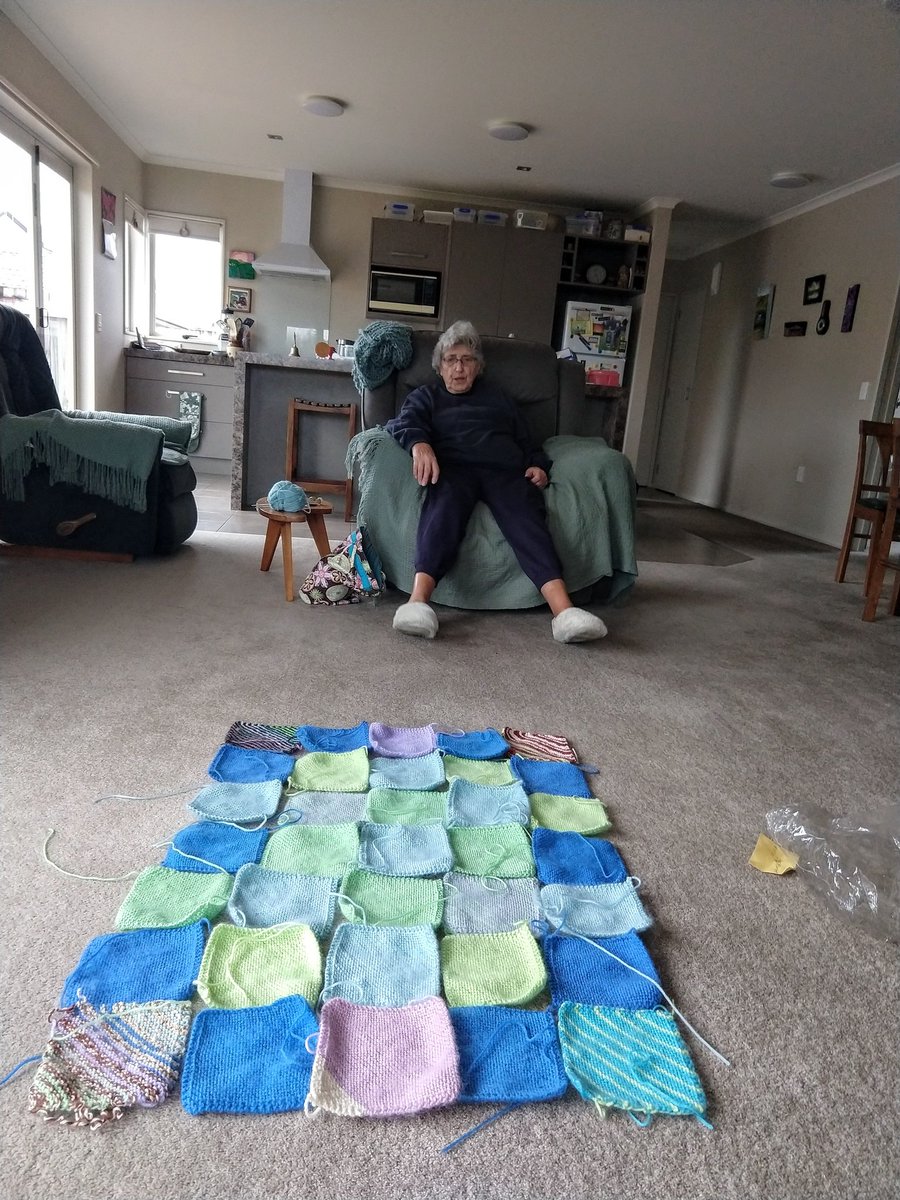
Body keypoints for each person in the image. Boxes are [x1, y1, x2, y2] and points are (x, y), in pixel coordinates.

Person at [385, 320, 609, 644]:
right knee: (442, 510)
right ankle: (417, 604)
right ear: (439, 366)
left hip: (503, 471)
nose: (459, 368)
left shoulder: (498, 398)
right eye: (451, 360)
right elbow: (404, 423)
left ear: (478, 367)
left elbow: (528, 440)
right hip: (453, 469)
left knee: (525, 516)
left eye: (467, 360)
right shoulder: (426, 397)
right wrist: (420, 444)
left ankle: (565, 613)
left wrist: (537, 465)